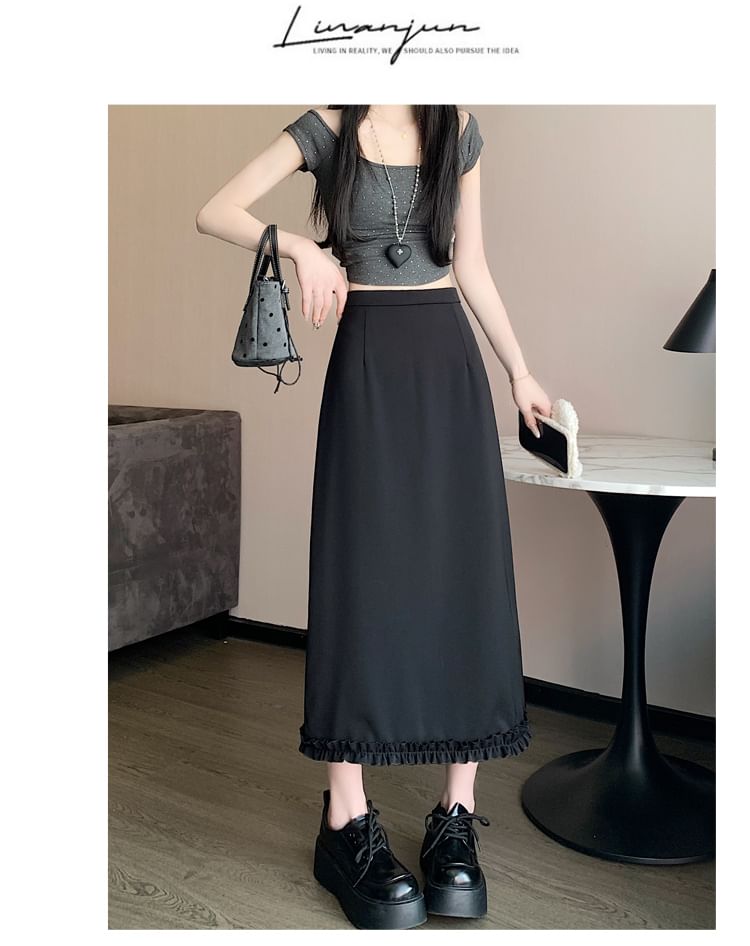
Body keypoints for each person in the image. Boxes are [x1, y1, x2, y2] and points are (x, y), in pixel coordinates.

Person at [196, 105, 552, 930]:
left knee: (463, 577)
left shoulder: (456, 125)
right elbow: (215, 209)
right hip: (367, 364)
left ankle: (456, 815)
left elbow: (472, 265)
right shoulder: (327, 126)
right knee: (360, 581)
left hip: (449, 363)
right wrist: (300, 247)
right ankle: (345, 818)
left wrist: (520, 372)